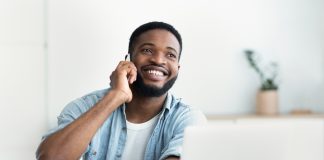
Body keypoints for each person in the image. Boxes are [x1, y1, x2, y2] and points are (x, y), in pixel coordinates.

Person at [36, 21, 206, 160]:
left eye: (170, 55)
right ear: (128, 60)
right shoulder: (83, 108)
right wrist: (116, 96)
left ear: (177, 67)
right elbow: (50, 157)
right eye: (147, 50)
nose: (158, 60)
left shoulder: (188, 119)